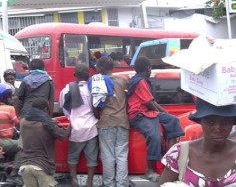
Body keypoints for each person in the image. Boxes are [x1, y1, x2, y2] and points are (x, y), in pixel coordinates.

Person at [127, 57, 185, 182]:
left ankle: (170, 163)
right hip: (138, 115)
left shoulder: (142, 80)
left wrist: (166, 113)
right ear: (148, 68)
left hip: (149, 113)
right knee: (154, 136)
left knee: (173, 120)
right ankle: (150, 170)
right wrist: (162, 112)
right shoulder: (139, 81)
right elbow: (149, 102)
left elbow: (152, 102)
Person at [158, 98, 236, 186]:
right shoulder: (180, 153)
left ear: (232, 123)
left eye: (225, 122)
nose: (218, 128)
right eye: (210, 122)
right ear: (200, 122)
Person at [91, 56, 129, 186]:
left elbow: (95, 105)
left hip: (106, 121)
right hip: (123, 121)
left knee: (108, 156)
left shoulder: (97, 81)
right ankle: (122, 184)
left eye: (96, 66)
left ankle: (109, 184)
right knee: (122, 155)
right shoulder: (123, 80)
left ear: (100, 68)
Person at [59, 64, 98, 187]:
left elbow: (63, 108)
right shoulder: (93, 90)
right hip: (92, 128)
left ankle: (74, 180)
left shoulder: (66, 90)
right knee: (92, 158)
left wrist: (72, 118)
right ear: (89, 75)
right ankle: (89, 182)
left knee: (73, 157)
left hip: (76, 128)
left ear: (75, 75)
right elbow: (97, 108)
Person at [19, 98, 70, 187]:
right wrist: (71, 125)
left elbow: (36, 122)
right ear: (45, 109)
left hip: (25, 167)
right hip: (42, 167)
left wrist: (51, 121)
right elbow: (63, 135)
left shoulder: (23, 122)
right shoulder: (47, 124)